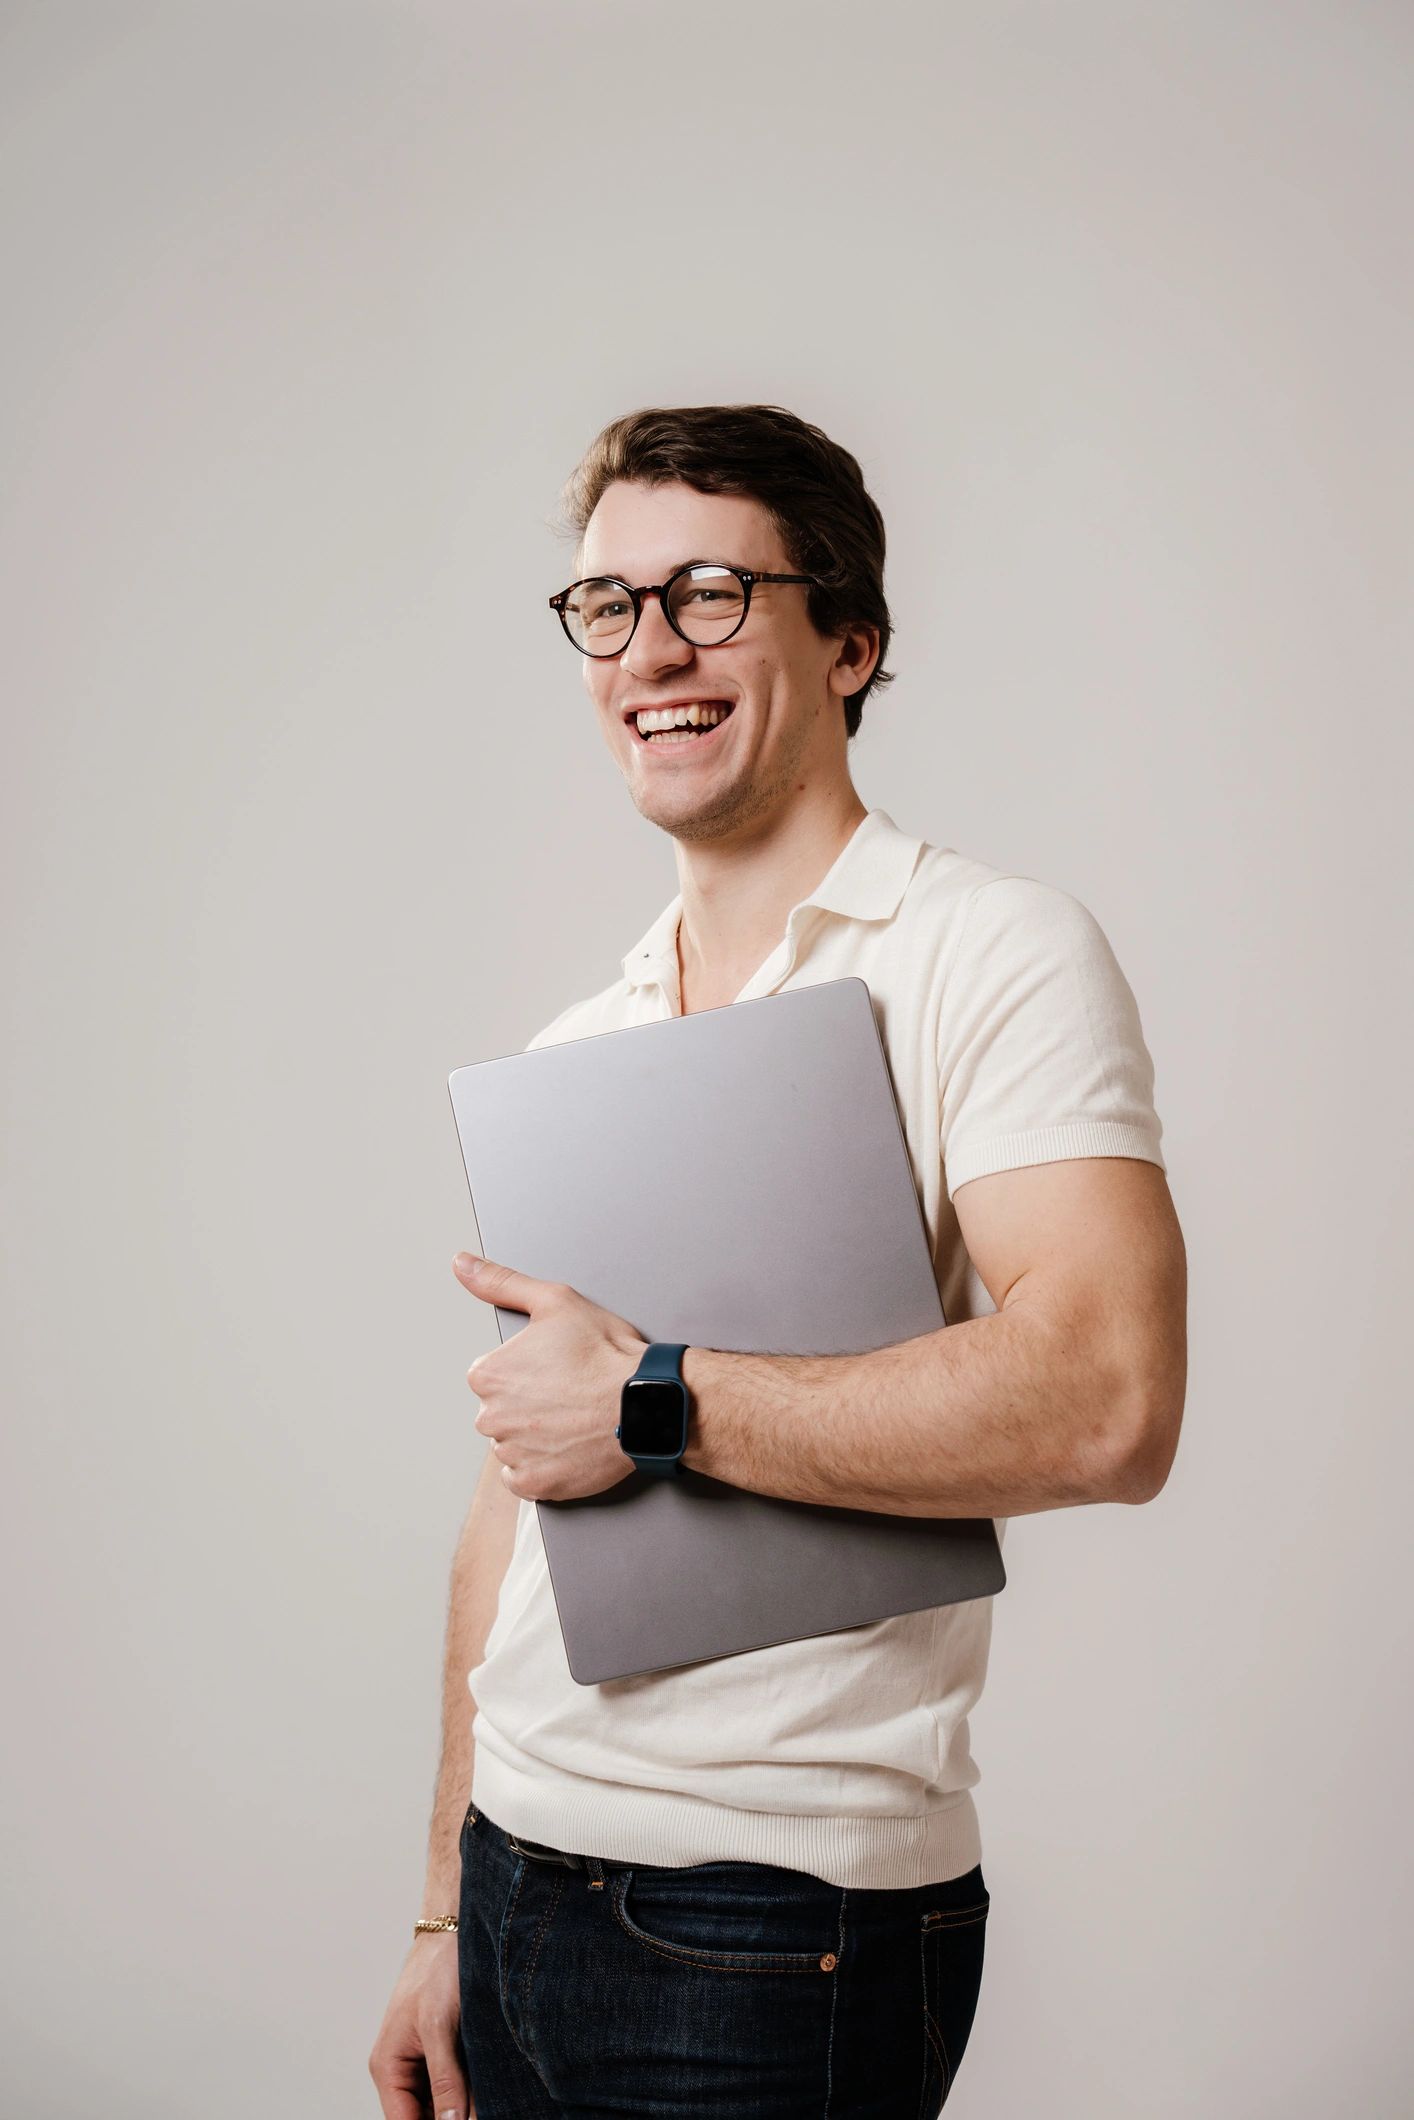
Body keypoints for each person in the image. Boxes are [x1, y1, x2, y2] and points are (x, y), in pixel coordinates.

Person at [369, 403, 1188, 2118]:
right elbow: (514, 1492)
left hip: (769, 1917)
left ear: (852, 642)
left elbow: (1109, 1401)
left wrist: (653, 1401)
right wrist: (447, 1896)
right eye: (605, 605)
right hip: (521, 1882)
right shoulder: (585, 1035)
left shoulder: (991, 951)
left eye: (713, 594)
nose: (649, 648)